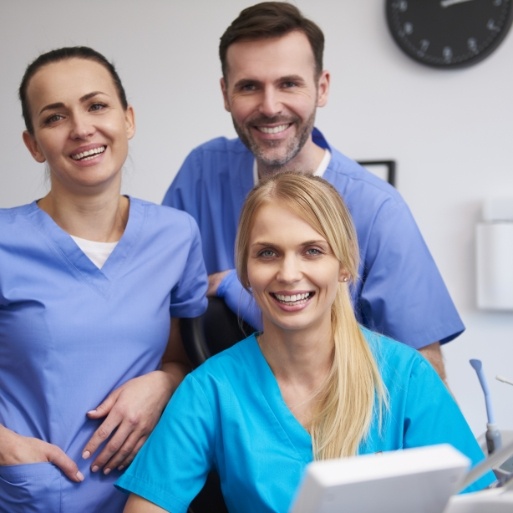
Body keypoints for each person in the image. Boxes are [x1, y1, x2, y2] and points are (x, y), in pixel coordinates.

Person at [118, 173, 494, 513]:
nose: (289, 274)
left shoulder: (406, 378)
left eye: (312, 251)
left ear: (344, 264)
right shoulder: (212, 388)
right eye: (268, 253)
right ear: (246, 272)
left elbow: (475, 502)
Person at [162, 1, 463, 380]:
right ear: (225, 93)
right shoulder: (201, 174)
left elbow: (424, 373)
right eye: (249, 87)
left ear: (321, 88)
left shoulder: (377, 209)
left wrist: (234, 288)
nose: (270, 107)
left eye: (289, 84)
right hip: (221, 418)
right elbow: (157, 307)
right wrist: (164, 379)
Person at [0, 46, 207, 512]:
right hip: (30, 495)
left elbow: (179, 358)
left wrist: (165, 383)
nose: (81, 128)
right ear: (33, 144)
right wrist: (5, 448)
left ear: (128, 120)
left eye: (96, 105)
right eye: (55, 117)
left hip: (147, 495)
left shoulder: (175, 236)